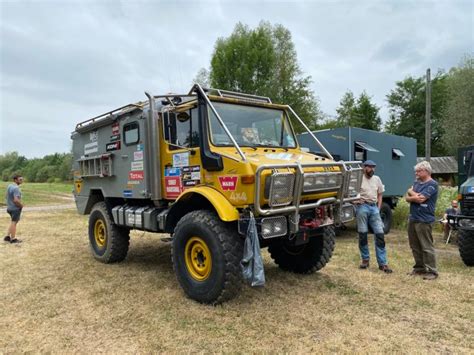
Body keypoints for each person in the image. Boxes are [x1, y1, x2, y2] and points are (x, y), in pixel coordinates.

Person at [356, 160, 392, 273]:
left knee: (380, 234)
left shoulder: (377, 179)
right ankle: (365, 260)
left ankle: (383, 263)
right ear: (364, 167)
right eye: (369, 167)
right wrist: (355, 202)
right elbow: (350, 193)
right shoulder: (358, 178)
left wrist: (378, 207)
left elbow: (380, 194)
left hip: (374, 207)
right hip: (362, 207)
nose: (372, 169)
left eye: (373, 167)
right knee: (363, 234)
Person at [405, 161, 439, 280]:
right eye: (416, 171)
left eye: (418, 171)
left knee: (426, 245)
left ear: (426, 171)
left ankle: (432, 271)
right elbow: (407, 198)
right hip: (413, 218)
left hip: (424, 219)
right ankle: (419, 268)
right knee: (414, 245)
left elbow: (421, 199)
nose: (416, 173)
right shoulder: (417, 183)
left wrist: (411, 193)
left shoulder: (432, 184)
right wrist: (413, 196)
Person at [4, 174, 24, 244]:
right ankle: (13, 239)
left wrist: (9, 203)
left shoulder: (9, 186)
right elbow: (16, 200)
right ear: (15, 180)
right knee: (14, 223)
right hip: (15, 209)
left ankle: (7, 237)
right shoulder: (16, 188)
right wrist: (21, 205)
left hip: (9, 208)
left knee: (13, 222)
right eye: (20, 179)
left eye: (22, 179)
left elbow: (6, 196)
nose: (22, 181)